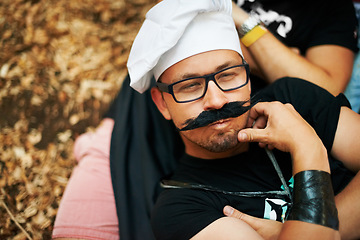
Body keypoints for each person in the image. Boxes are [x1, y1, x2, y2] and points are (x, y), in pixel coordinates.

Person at [52, 0, 360, 239]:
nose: (216, 100)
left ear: (250, 76)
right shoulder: (180, 210)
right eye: (190, 86)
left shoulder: (294, 98)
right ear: (162, 103)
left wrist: (289, 233)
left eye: (229, 76)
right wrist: (309, 148)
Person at [231, 0, 358, 96]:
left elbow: (326, 91)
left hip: (264, 111)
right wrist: (280, 62)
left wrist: (243, 21)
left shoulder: (334, 8)